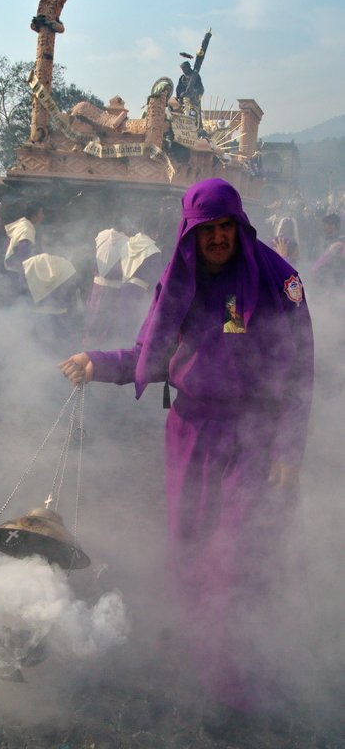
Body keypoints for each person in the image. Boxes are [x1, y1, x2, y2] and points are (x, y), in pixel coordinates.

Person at [60, 178, 314, 734]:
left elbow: (300, 371)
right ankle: (207, 661)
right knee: (192, 550)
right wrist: (96, 362)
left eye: (227, 227)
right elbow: (149, 353)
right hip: (191, 431)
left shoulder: (279, 280)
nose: (218, 238)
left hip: (255, 436)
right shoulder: (179, 282)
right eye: (207, 230)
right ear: (189, 232)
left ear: (240, 226)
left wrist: (290, 450)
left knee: (239, 558)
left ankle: (239, 690)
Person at [83, 227, 128, 347]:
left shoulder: (101, 235)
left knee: (92, 317)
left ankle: (86, 347)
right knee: (107, 321)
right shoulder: (127, 241)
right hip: (113, 288)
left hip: (97, 285)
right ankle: (100, 350)